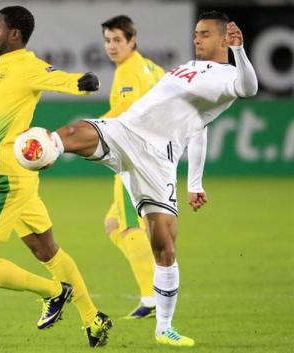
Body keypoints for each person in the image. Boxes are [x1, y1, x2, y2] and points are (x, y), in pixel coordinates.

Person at [17, 11, 257, 347]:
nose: (196, 38)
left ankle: (164, 327)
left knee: (164, 245)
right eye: (196, 33)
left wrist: (241, 51)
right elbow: (199, 129)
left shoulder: (229, 75)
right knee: (73, 131)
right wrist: (196, 183)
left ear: (222, 38)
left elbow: (248, 88)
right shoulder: (184, 68)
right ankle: (43, 150)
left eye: (204, 34)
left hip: (157, 160)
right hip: (127, 130)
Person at [0, 6, 112, 348]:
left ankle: (56, 292)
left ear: (14, 34)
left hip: (6, 180)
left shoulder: (26, 65)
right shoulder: (4, 68)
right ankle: (93, 318)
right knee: (47, 251)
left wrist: (82, 83)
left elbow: (60, 78)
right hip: (12, 178)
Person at [100, 15, 164, 319]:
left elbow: (122, 113)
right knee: (113, 224)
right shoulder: (151, 68)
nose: (111, 46)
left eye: (117, 40)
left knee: (128, 228)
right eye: (108, 40)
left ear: (131, 40)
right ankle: (155, 282)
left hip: (133, 158)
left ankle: (152, 297)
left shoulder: (128, 71)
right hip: (152, 155)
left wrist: (88, 128)